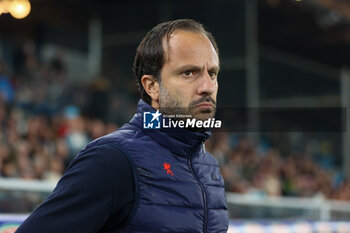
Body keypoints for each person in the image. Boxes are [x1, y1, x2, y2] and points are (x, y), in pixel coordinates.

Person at [15, 18, 229, 233]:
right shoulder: (112, 160)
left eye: (212, 74)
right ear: (152, 86)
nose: (207, 87)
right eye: (189, 73)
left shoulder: (208, 168)